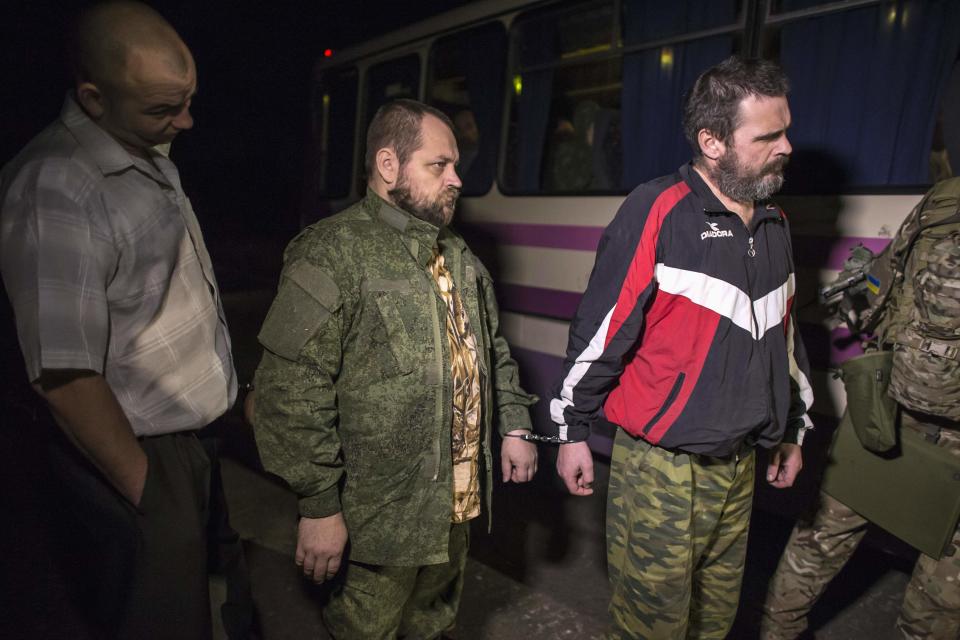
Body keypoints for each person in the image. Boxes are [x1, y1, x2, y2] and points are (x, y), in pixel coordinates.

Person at [252, 98, 538, 639]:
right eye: (439, 166)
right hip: (379, 519)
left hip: (457, 501)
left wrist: (516, 423)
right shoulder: (333, 250)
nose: (456, 179)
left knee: (432, 626)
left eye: (455, 165)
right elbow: (289, 389)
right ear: (389, 166)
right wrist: (318, 506)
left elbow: (490, 349)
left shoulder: (458, 255)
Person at [550, 56, 814, 639]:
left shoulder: (774, 222)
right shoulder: (658, 209)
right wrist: (571, 432)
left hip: (741, 462)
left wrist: (791, 430)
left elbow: (786, 338)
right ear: (712, 142)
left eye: (786, 129)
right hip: (662, 470)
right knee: (653, 627)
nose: (787, 146)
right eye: (768, 136)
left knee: (715, 622)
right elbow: (601, 331)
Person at [0, 2, 235, 639]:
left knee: (201, 612)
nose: (185, 121)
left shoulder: (140, 145)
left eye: (187, 100)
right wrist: (147, 495)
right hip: (132, 461)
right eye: (164, 108)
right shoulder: (59, 186)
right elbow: (65, 376)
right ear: (93, 98)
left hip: (186, 454)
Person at [760, 181, 960, 640]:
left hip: (887, 405)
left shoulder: (946, 199)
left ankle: (775, 630)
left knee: (822, 537)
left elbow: (879, 290)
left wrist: (865, 279)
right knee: (940, 592)